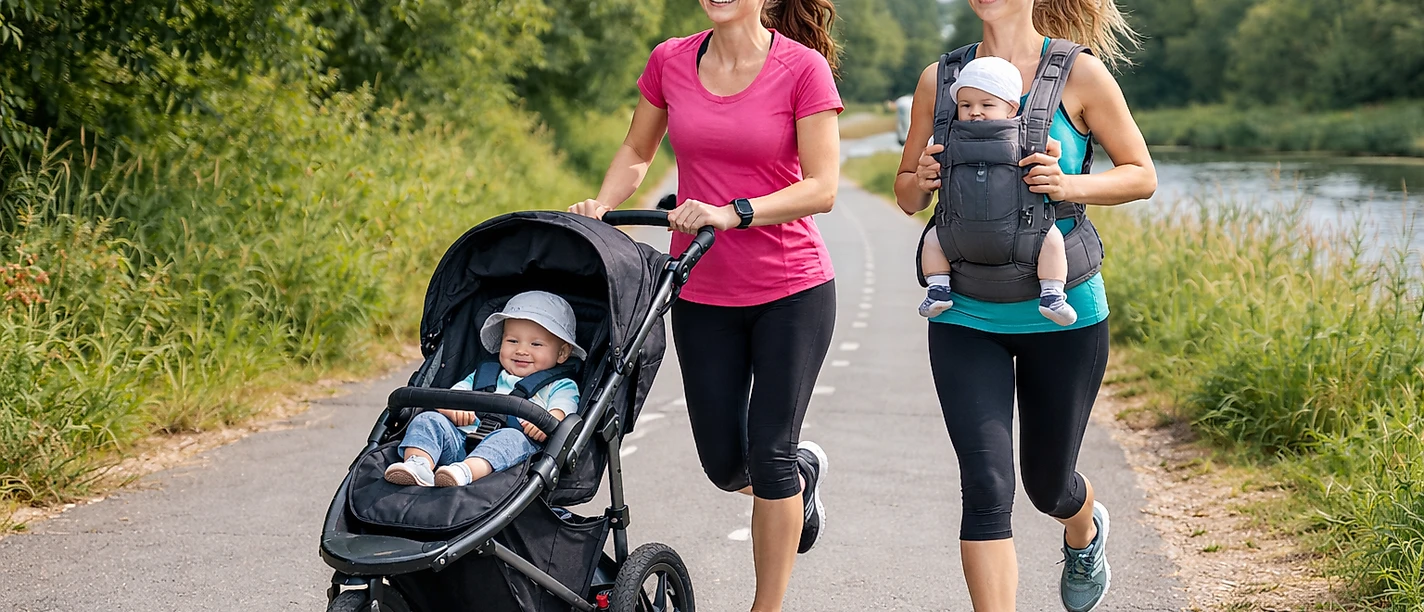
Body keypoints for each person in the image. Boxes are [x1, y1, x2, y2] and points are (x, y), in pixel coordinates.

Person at [568, 0, 841, 609]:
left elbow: (822, 187)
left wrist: (734, 211)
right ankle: (801, 484)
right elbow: (639, 151)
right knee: (724, 464)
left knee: (769, 452)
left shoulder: (802, 69)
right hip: (699, 287)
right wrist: (599, 205)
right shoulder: (671, 59)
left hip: (791, 287)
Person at [892, 0, 1157, 610]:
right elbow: (906, 194)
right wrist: (922, 177)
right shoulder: (941, 78)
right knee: (985, 485)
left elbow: (1141, 174)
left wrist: (1070, 186)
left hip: (1061, 315)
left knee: (1047, 485)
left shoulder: (1079, 74)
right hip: (962, 311)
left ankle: (1083, 528)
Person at [916, 55, 1076, 326]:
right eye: (965, 105)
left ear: (1012, 109)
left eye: (987, 104)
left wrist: (1053, 155)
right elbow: (929, 154)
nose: (975, 112)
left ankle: (1052, 294)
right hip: (959, 229)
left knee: (1051, 239)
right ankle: (937, 287)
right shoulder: (946, 137)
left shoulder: (1028, 135)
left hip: (1022, 230)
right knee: (932, 239)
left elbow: (1052, 148)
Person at [384, 291, 582, 488]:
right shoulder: (485, 374)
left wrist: (548, 420)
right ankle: (418, 465)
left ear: (562, 353)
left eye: (536, 344)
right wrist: (453, 409)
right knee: (427, 420)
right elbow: (452, 397)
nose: (521, 350)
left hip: (507, 459)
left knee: (510, 438)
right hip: (460, 441)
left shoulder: (560, 384)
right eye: (512, 341)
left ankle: (465, 472)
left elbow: (563, 410)